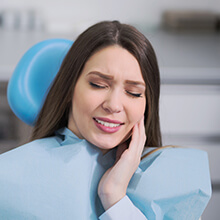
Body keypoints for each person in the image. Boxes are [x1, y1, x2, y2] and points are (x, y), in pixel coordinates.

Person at [0, 21, 211, 219]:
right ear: (69, 89)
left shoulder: (175, 185)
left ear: (147, 105)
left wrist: (115, 198)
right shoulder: (11, 178)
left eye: (134, 93)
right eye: (98, 85)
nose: (114, 105)